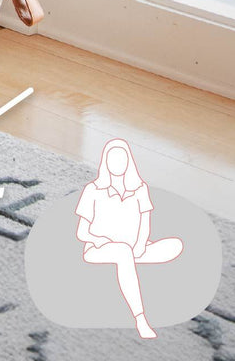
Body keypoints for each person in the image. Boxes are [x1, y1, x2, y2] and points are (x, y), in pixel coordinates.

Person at [75, 137, 183, 339]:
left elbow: (145, 222)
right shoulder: (94, 190)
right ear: (106, 162)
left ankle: (130, 261)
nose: (118, 164)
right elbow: (82, 232)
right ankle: (140, 318)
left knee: (175, 245)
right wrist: (101, 240)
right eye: (113, 159)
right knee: (122, 252)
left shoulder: (139, 190)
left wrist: (140, 244)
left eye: (122, 159)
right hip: (100, 247)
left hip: (133, 247)